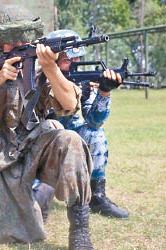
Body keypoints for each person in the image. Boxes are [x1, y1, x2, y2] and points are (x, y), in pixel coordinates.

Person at [0, 5, 95, 249]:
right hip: (1, 152)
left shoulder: (42, 61)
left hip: (38, 139)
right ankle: (32, 201)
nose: (18, 42)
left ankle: (79, 229)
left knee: (70, 140)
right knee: (19, 236)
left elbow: (70, 105)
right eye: (10, 39)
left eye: (23, 37)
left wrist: (50, 68)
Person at [47, 30, 130, 219]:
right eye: (69, 60)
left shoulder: (81, 81)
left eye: (78, 59)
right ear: (52, 59)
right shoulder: (35, 77)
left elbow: (94, 121)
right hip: (41, 142)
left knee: (95, 133)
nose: (76, 65)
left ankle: (97, 196)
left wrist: (104, 92)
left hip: (69, 138)